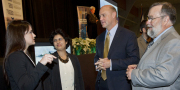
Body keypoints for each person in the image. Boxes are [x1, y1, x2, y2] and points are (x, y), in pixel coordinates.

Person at [126, 2, 180, 90]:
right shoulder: (161, 40)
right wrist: (139, 67)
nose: (147, 22)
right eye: (148, 18)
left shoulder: (174, 41)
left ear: (165, 19)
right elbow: (157, 64)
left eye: (151, 18)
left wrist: (134, 74)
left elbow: (164, 75)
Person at [94, 5, 139, 90]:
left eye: (103, 15)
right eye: (100, 16)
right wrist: (98, 64)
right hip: (101, 85)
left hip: (119, 85)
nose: (100, 19)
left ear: (113, 14)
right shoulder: (99, 38)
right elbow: (96, 57)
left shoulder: (128, 35)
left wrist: (111, 64)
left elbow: (134, 59)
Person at [3, 20, 56, 90]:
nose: (34, 35)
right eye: (30, 32)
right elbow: (26, 86)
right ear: (20, 35)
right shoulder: (15, 56)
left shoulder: (24, 55)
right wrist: (41, 64)